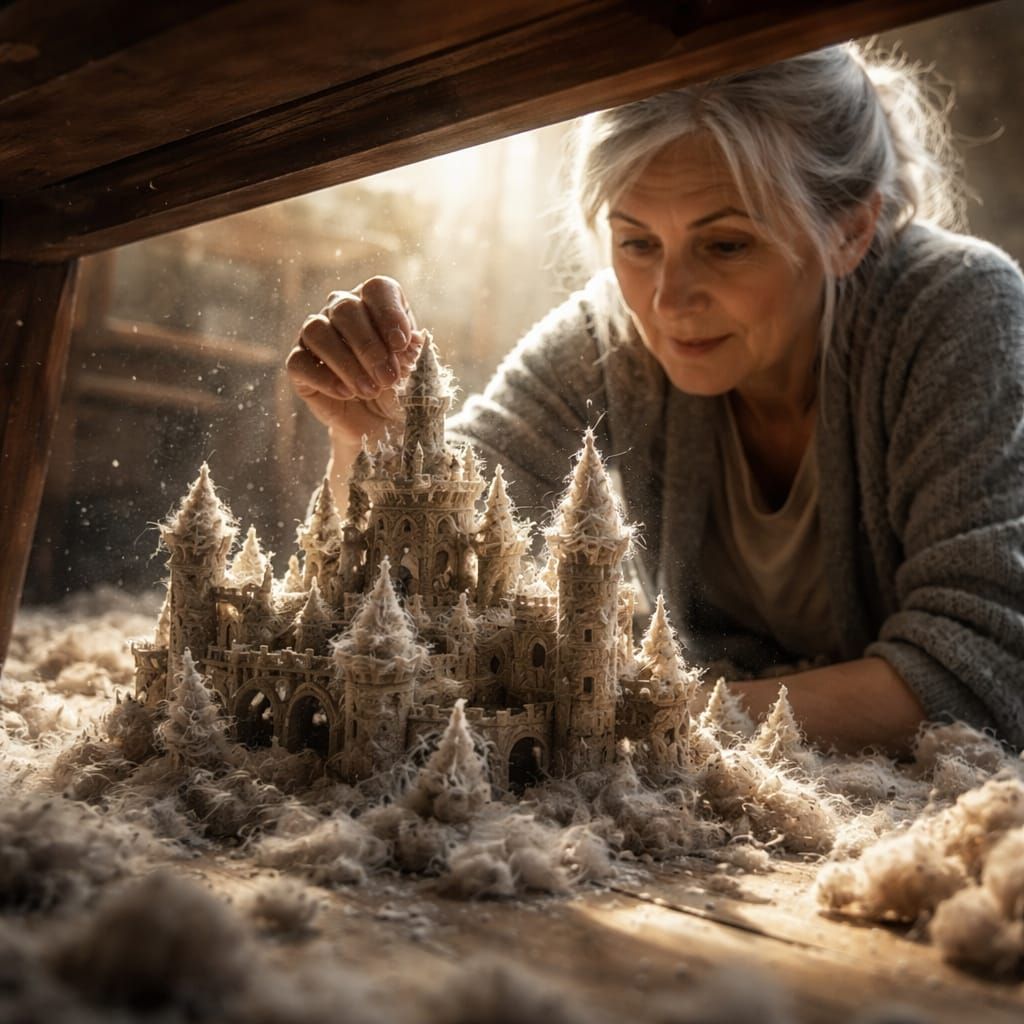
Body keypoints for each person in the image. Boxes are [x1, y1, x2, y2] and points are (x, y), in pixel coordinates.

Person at [286, 44, 1024, 755]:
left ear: (851, 231)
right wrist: (376, 445)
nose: (668, 302)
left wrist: (631, 715)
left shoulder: (960, 310)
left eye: (726, 244)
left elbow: (985, 670)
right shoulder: (610, 335)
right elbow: (448, 534)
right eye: (637, 244)